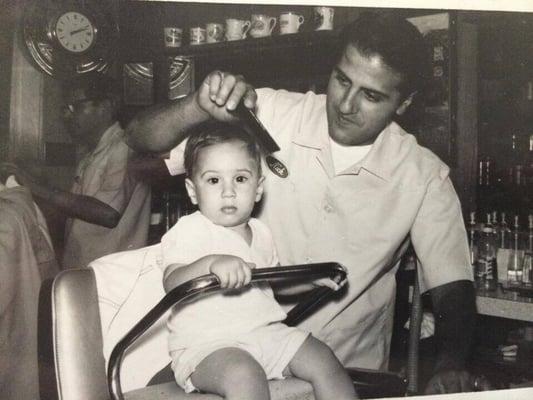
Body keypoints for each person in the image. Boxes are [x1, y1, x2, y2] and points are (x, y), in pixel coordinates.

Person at [126, 13, 477, 394]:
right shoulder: (271, 113)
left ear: (404, 103)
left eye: (371, 95)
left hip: (346, 372)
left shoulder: (423, 175)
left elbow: (452, 288)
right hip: (233, 358)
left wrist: (451, 365)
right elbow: (140, 140)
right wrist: (197, 106)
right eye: (343, 80)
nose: (346, 104)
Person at [160, 123, 356, 399]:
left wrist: (308, 282)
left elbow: (275, 284)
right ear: (193, 191)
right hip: (208, 346)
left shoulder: (262, 233)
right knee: (245, 375)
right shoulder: (190, 229)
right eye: (214, 180)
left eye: (240, 179)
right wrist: (212, 263)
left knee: (323, 358)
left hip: (265, 335)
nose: (228, 192)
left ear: (258, 188)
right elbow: (172, 281)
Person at [1, 73, 151, 269]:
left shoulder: (124, 147)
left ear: (106, 107)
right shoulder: (91, 153)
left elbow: (108, 214)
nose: (68, 115)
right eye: (65, 109)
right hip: (86, 269)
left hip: (113, 273)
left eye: (77, 107)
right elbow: (75, 211)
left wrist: (36, 187)